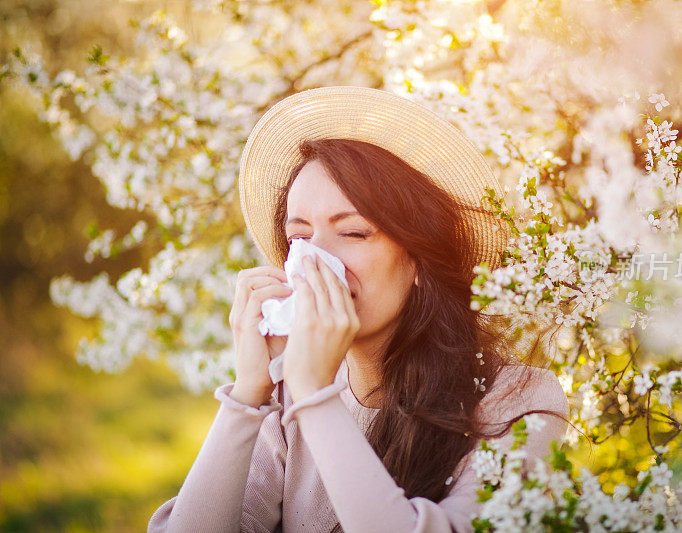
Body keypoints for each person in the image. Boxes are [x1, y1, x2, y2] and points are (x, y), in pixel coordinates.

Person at [147, 86, 569, 533]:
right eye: (299, 238)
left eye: (353, 233)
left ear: (419, 261)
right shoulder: (288, 394)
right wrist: (248, 393)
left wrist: (315, 397)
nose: (316, 262)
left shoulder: (518, 402)